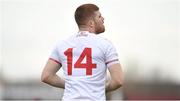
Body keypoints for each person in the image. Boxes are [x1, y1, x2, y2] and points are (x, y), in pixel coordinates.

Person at [41, 3, 123, 101]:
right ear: (91, 23)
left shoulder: (62, 45)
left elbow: (46, 76)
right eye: (99, 16)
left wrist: (73, 85)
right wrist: (101, 88)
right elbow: (118, 80)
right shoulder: (106, 45)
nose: (103, 19)